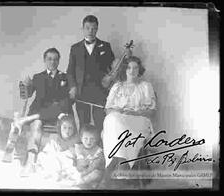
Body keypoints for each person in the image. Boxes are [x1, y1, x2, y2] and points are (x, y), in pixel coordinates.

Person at [2, 47, 73, 177]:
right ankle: (30, 162)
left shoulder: (65, 77)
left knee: (57, 107)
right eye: (49, 59)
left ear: (59, 61)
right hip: (38, 112)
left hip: (55, 114)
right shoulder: (38, 77)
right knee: (36, 125)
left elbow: (66, 100)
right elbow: (27, 95)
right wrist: (25, 86)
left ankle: (24, 120)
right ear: (44, 60)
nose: (52, 62)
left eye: (55, 59)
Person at [100, 56, 157, 188]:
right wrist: (119, 111)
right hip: (120, 118)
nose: (132, 71)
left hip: (139, 119)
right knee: (112, 119)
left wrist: (135, 112)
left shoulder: (145, 86)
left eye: (135, 67)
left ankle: (121, 169)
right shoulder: (117, 86)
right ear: (124, 69)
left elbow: (152, 111)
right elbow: (107, 109)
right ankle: (122, 167)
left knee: (118, 126)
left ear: (139, 69)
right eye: (129, 67)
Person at [67, 15, 115, 133]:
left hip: (100, 92)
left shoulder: (106, 46)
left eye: (93, 28)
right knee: (84, 125)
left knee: (100, 124)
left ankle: (100, 150)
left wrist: (110, 78)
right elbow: (70, 71)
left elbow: (113, 69)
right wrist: (72, 86)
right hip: (81, 92)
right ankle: (84, 151)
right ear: (83, 29)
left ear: (97, 29)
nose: (90, 31)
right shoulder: (75, 48)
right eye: (87, 28)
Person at [35, 114, 80, 182]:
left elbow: (76, 156)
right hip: (55, 162)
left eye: (70, 128)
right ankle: (53, 173)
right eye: (64, 127)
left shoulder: (75, 141)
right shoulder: (55, 140)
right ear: (60, 128)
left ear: (74, 129)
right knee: (43, 155)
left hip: (66, 164)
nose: (67, 131)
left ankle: (59, 174)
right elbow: (46, 152)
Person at [74, 124, 105, 189]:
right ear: (81, 138)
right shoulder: (79, 148)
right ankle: (82, 182)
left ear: (96, 139)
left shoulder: (98, 151)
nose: (88, 141)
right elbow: (75, 162)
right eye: (85, 138)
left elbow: (94, 166)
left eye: (92, 139)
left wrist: (83, 174)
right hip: (80, 172)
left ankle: (82, 182)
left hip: (92, 173)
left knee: (96, 173)